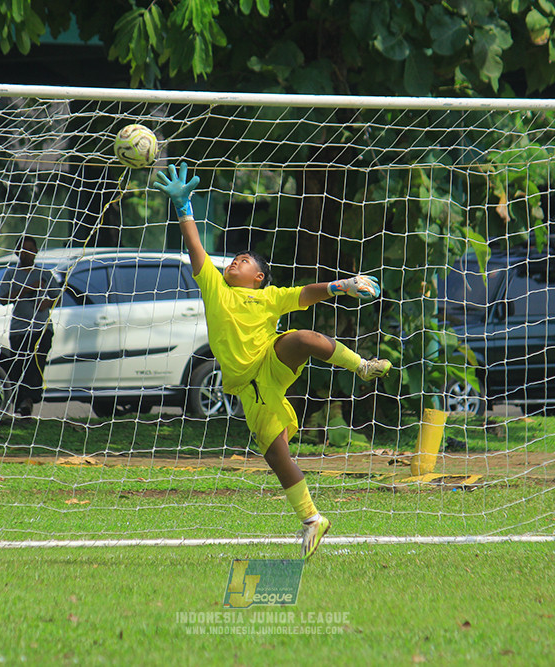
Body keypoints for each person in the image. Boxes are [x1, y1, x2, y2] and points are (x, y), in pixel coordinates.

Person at [153, 163, 392, 560]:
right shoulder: (215, 287)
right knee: (277, 454)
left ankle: (362, 367)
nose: (235, 261)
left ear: (259, 277)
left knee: (301, 337)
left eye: (244, 260)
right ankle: (313, 519)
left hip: (271, 360)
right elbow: (196, 249)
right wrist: (184, 208)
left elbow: (305, 293)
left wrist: (343, 286)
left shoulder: (269, 297)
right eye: (234, 258)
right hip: (251, 387)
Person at [0, 235, 59, 417]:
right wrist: (28, 288)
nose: (28, 254)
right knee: (19, 365)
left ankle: (29, 400)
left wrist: (47, 303)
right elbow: (3, 298)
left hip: (41, 329)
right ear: (17, 253)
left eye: (31, 249)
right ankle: (21, 403)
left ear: (36, 251)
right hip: (19, 329)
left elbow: (57, 295)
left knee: (35, 364)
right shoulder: (11, 274)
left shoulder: (45, 274)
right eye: (24, 250)